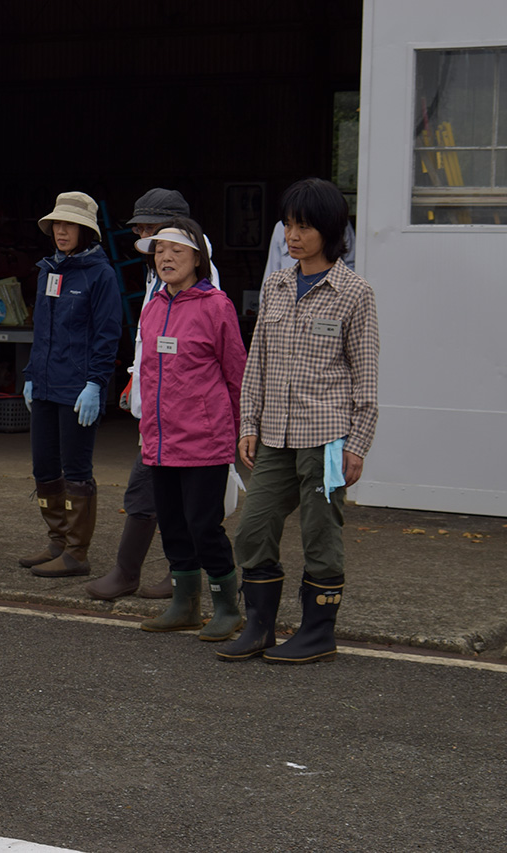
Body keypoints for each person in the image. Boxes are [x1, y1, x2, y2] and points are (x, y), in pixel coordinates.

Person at [217, 178, 379, 664]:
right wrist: (248, 423)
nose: (292, 235)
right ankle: (260, 627)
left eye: (303, 226)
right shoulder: (277, 283)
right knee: (253, 527)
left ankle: (317, 633)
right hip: (275, 434)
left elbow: (366, 375)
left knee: (320, 533)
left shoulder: (355, 293)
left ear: (329, 231)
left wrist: (358, 444)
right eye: (288, 225)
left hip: (327, 438)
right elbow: (258, 361)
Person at [84, 189, 222, 600]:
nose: (141, 234)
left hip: (184, 408)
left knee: (164, 495)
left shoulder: (199, 275)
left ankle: (143, 573)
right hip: (158, 402)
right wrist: (135, 380)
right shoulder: (155, 270)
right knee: (163, 493)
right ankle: (170, 575)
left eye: (150, 226)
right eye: (140, 228)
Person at [132, 219, 247, 638]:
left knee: (204, 525)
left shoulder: (216, 306)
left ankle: (227, 608)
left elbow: (236, 372)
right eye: (159, 250)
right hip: (161, 439)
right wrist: (145, 423)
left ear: (198, 258)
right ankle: (184, 605)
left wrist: (241, 431)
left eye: (176, 251)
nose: (165, 257)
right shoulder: (153, 306)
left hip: (205, 438)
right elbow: (148, 372)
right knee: (173, 523)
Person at [18, 192, 122, 578]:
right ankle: (57, 541)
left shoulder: (101, 275)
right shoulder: (49, 269)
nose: (61, 231)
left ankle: (77, 552)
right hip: (45, 383)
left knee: (76, 468)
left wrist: (96, 383)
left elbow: (107, 334)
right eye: (57, 224)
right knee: (44, 466)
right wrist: (30, 375)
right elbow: (41, 330)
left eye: (70, 225)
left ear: (86, 231)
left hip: (78, 388)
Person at [265, 218, 355, 278]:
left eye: (303, 227)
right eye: (288, 225)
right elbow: (272, 267)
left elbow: (352, 262)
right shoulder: (275, 284)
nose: (293, 237)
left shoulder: (353, 289)